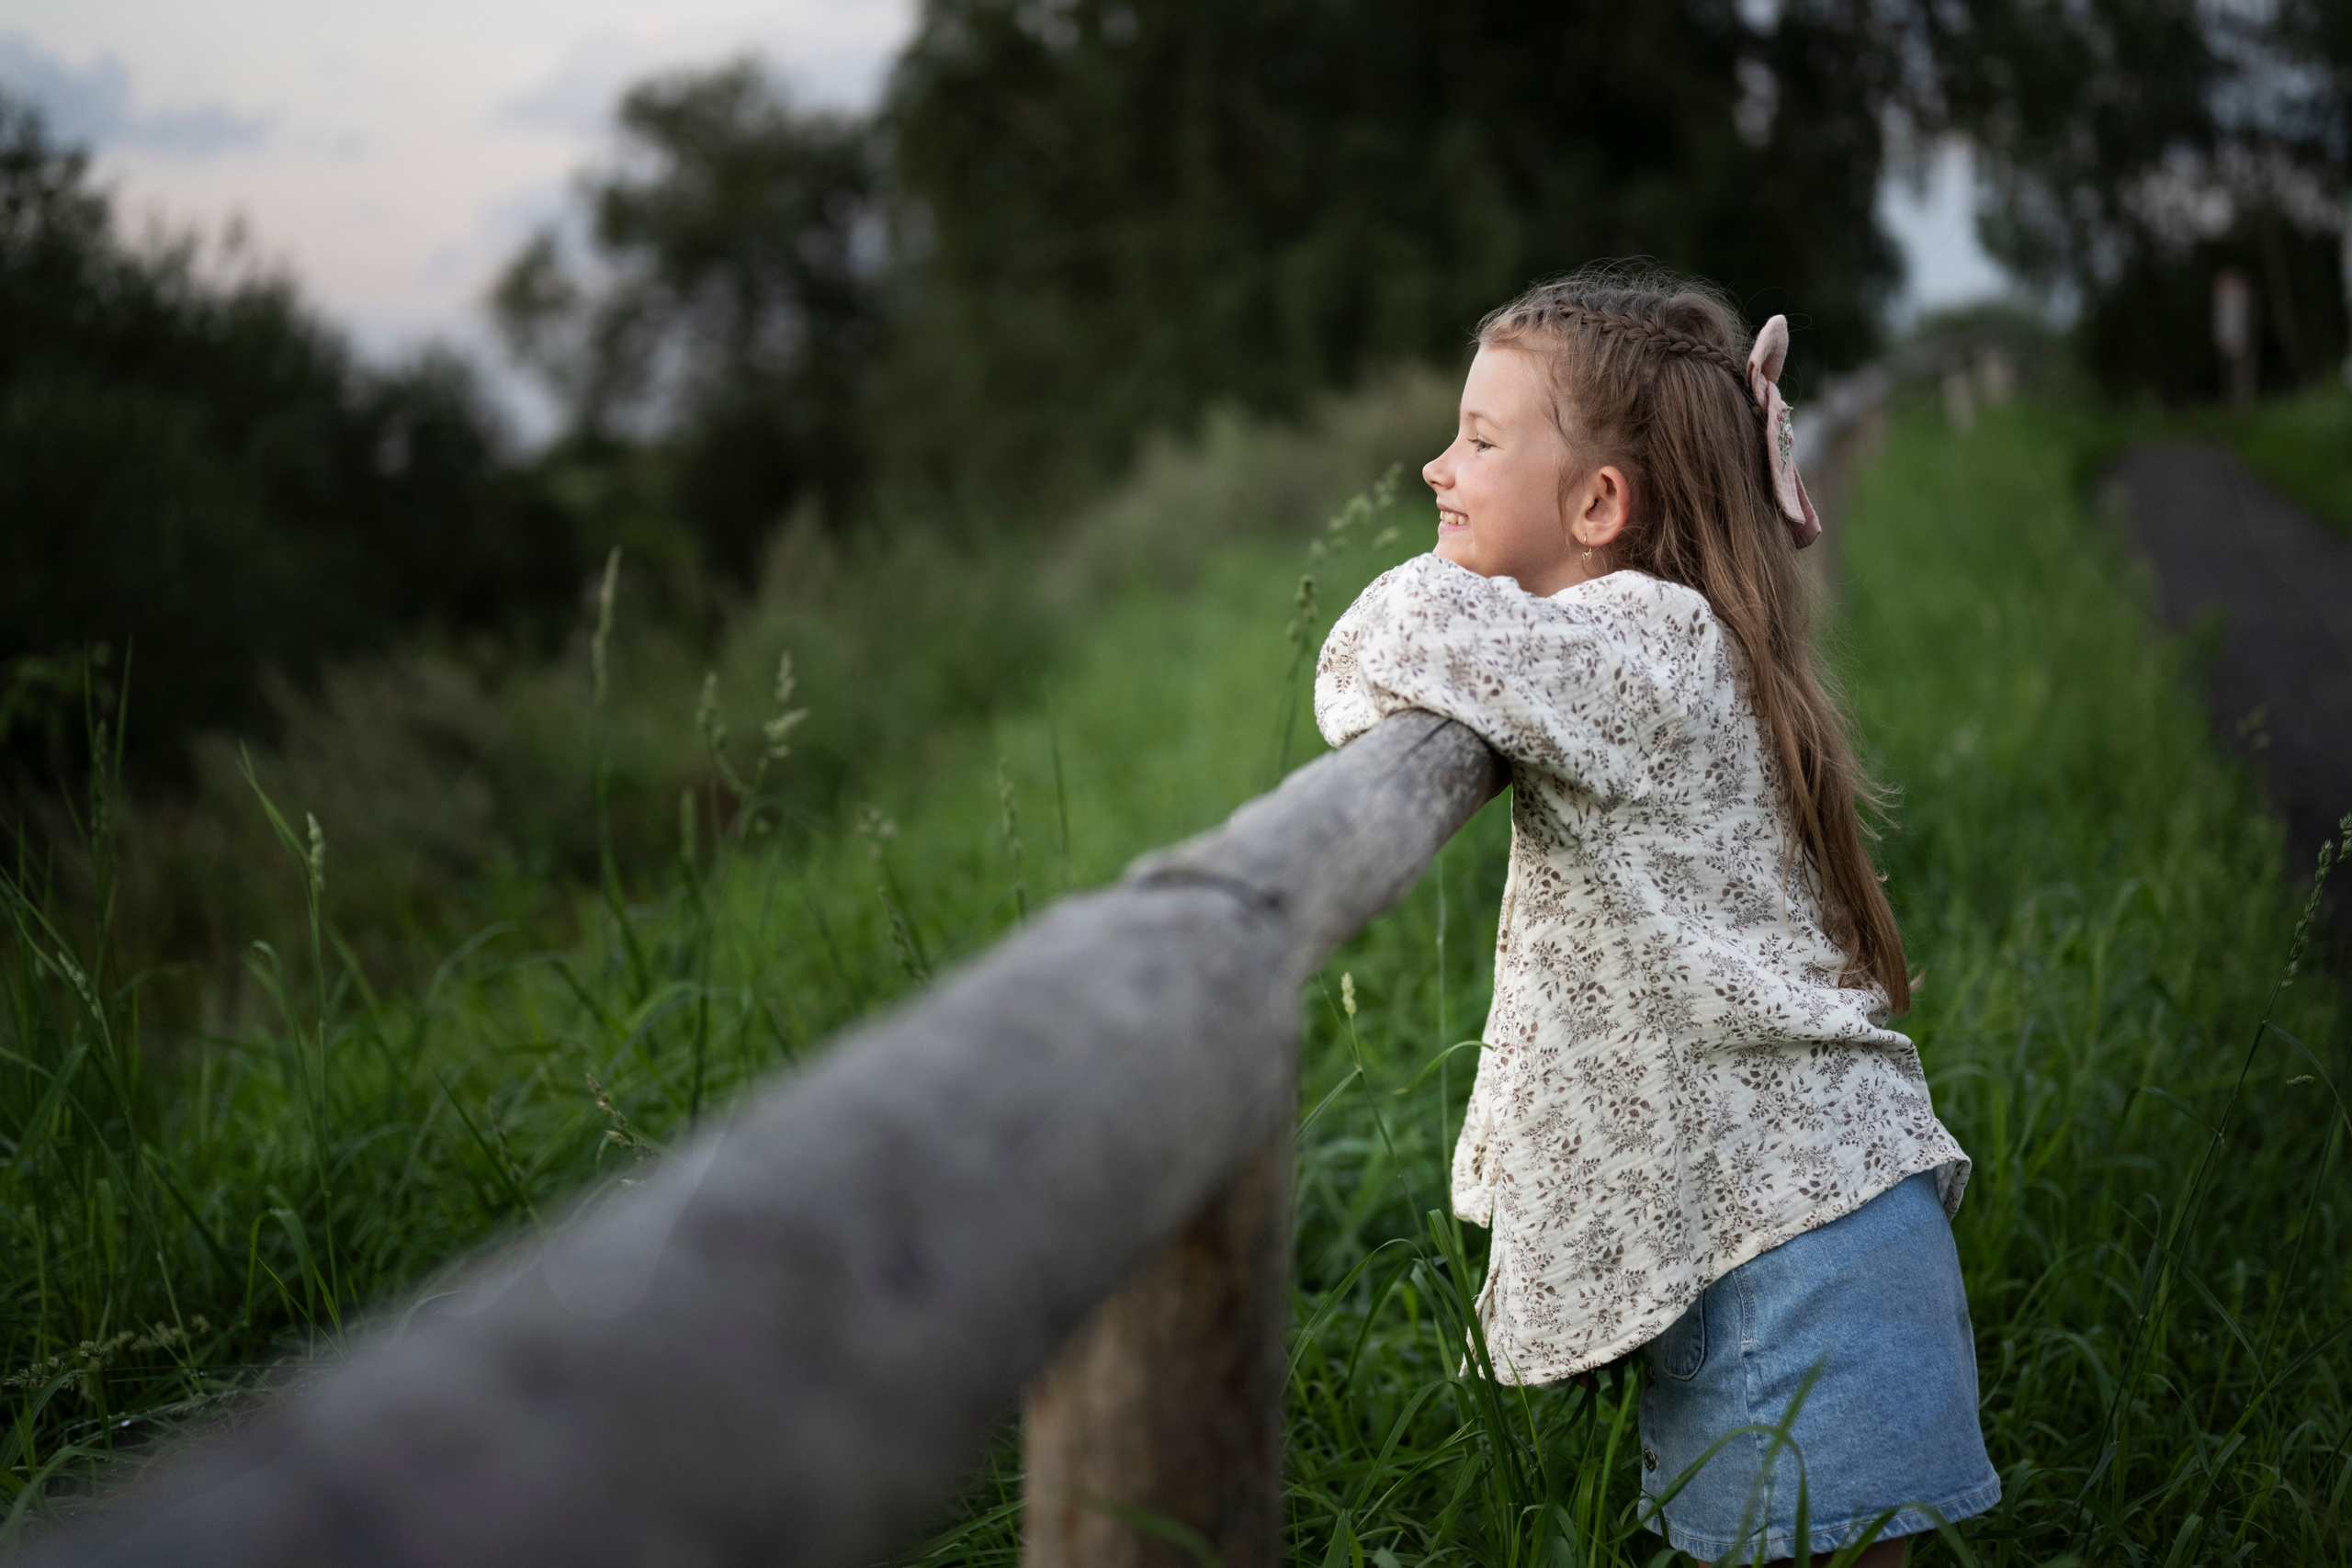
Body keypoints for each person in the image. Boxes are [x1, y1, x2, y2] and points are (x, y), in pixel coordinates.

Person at [1313, 266, 1997, 1566]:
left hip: (1789, 1269)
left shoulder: (1640, 641)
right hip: (1809, 1236)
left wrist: (1459, 583)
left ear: (1601, 504)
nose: (1433, 466)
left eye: (1479, 438)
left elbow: (1378, 641)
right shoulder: (1682, 638)